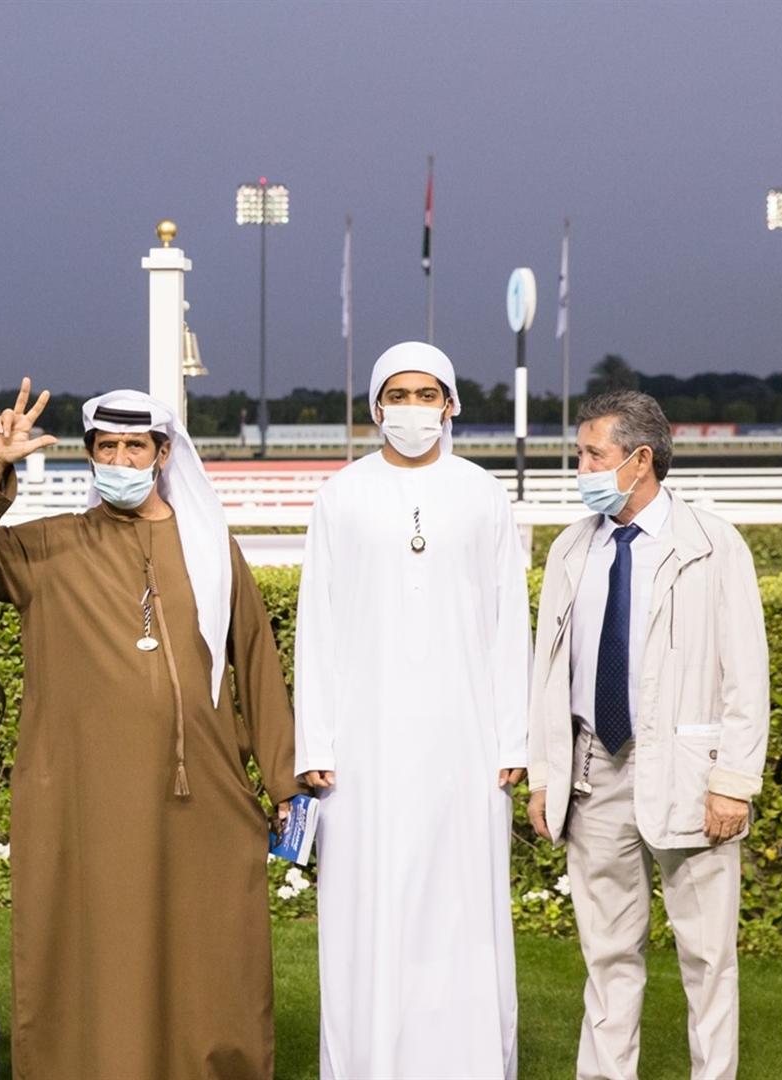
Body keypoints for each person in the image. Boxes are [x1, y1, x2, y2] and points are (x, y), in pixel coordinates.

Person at [0, 380, 300, 1080]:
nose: (122, 458)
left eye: (136, 446)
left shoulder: (208, 548)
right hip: (86, 801)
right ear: (89, 455)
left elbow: (256, 661)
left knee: (209, 953)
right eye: (107, 446)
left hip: (201, 800)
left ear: (163, 454)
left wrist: (283, 780)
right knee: (96, 954)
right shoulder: (49, 549)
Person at [293, 341, 529, 1078]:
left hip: (466, 741)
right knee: (369, 904)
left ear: (452, 405)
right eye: (400, 393)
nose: (414, 408)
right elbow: (318, 625)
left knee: (462, 909)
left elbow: (507, 621)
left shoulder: (485, 494)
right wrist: (315, 743)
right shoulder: (341, 495)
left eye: (429, 394)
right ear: (375, 407)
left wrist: (511, 737)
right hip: (363, 748)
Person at [528, 390, 770, 1080]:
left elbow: (747, 675)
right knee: (606, 954)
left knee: (707, 957)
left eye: (591, 454)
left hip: (693, 781)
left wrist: (733, 782)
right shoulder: (572, 547)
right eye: (580, 453)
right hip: (592, 773)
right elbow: (547, 672)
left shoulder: (715, 546)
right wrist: (546, 776)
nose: (580, 467)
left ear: (639, 460)